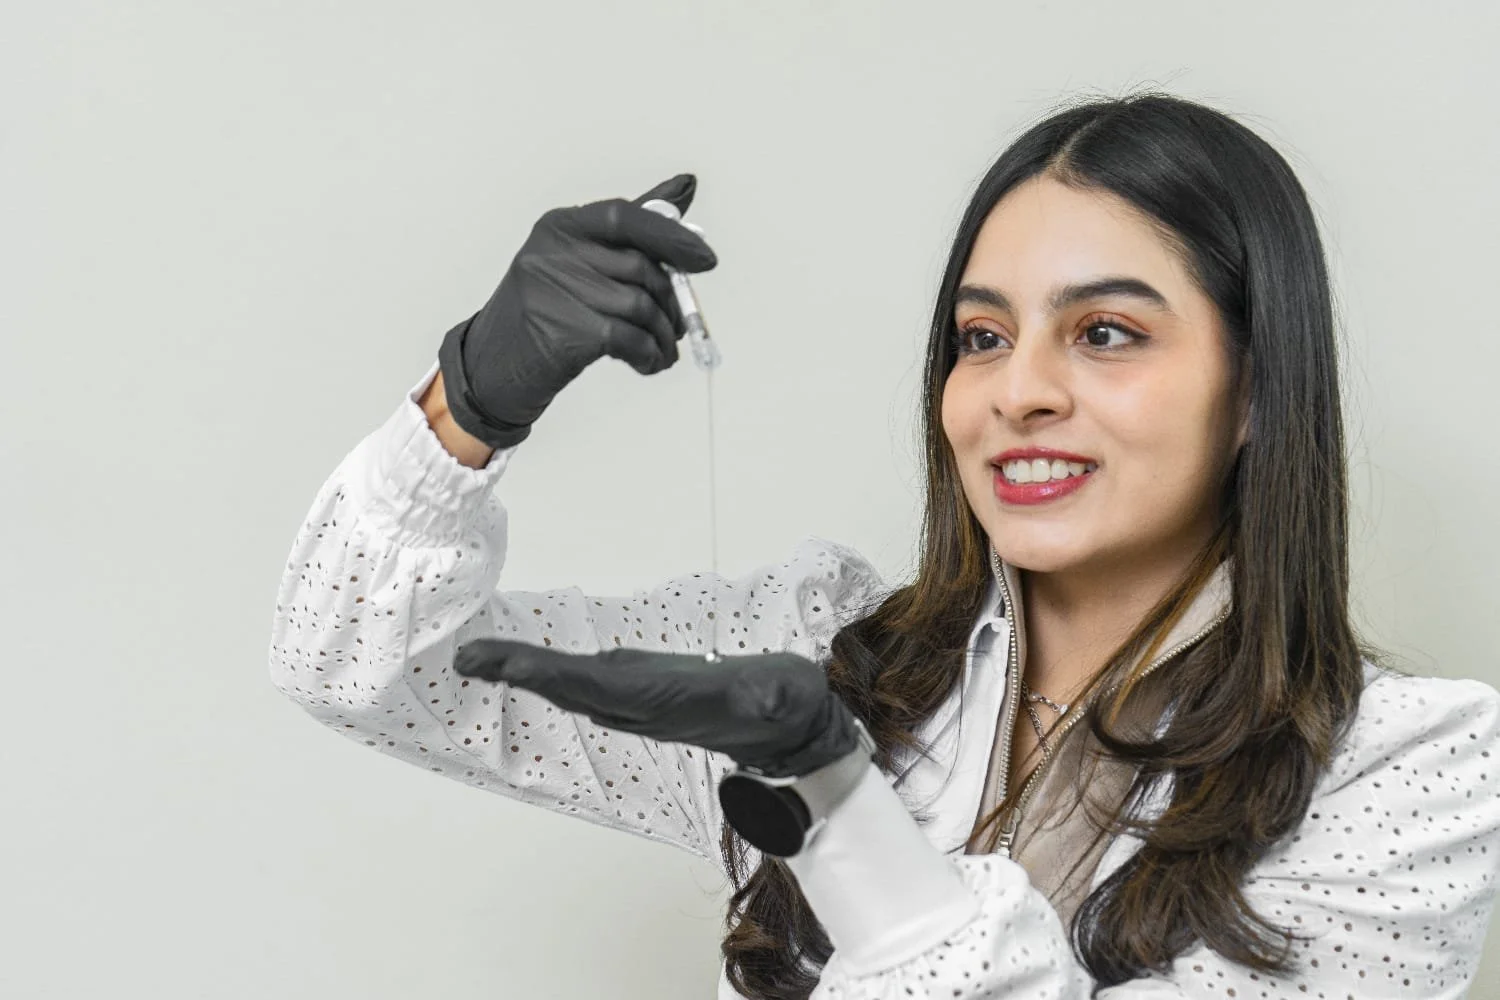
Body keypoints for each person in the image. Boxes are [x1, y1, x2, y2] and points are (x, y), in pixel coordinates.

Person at [268, 91, 1500, 998]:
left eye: (1107, 333)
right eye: (980, 337)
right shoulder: (827, 650)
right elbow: (362, 671)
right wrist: (472, 402)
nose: (1017, 391)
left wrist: (840, 797)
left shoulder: (1405, 773)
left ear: (1256, 392)